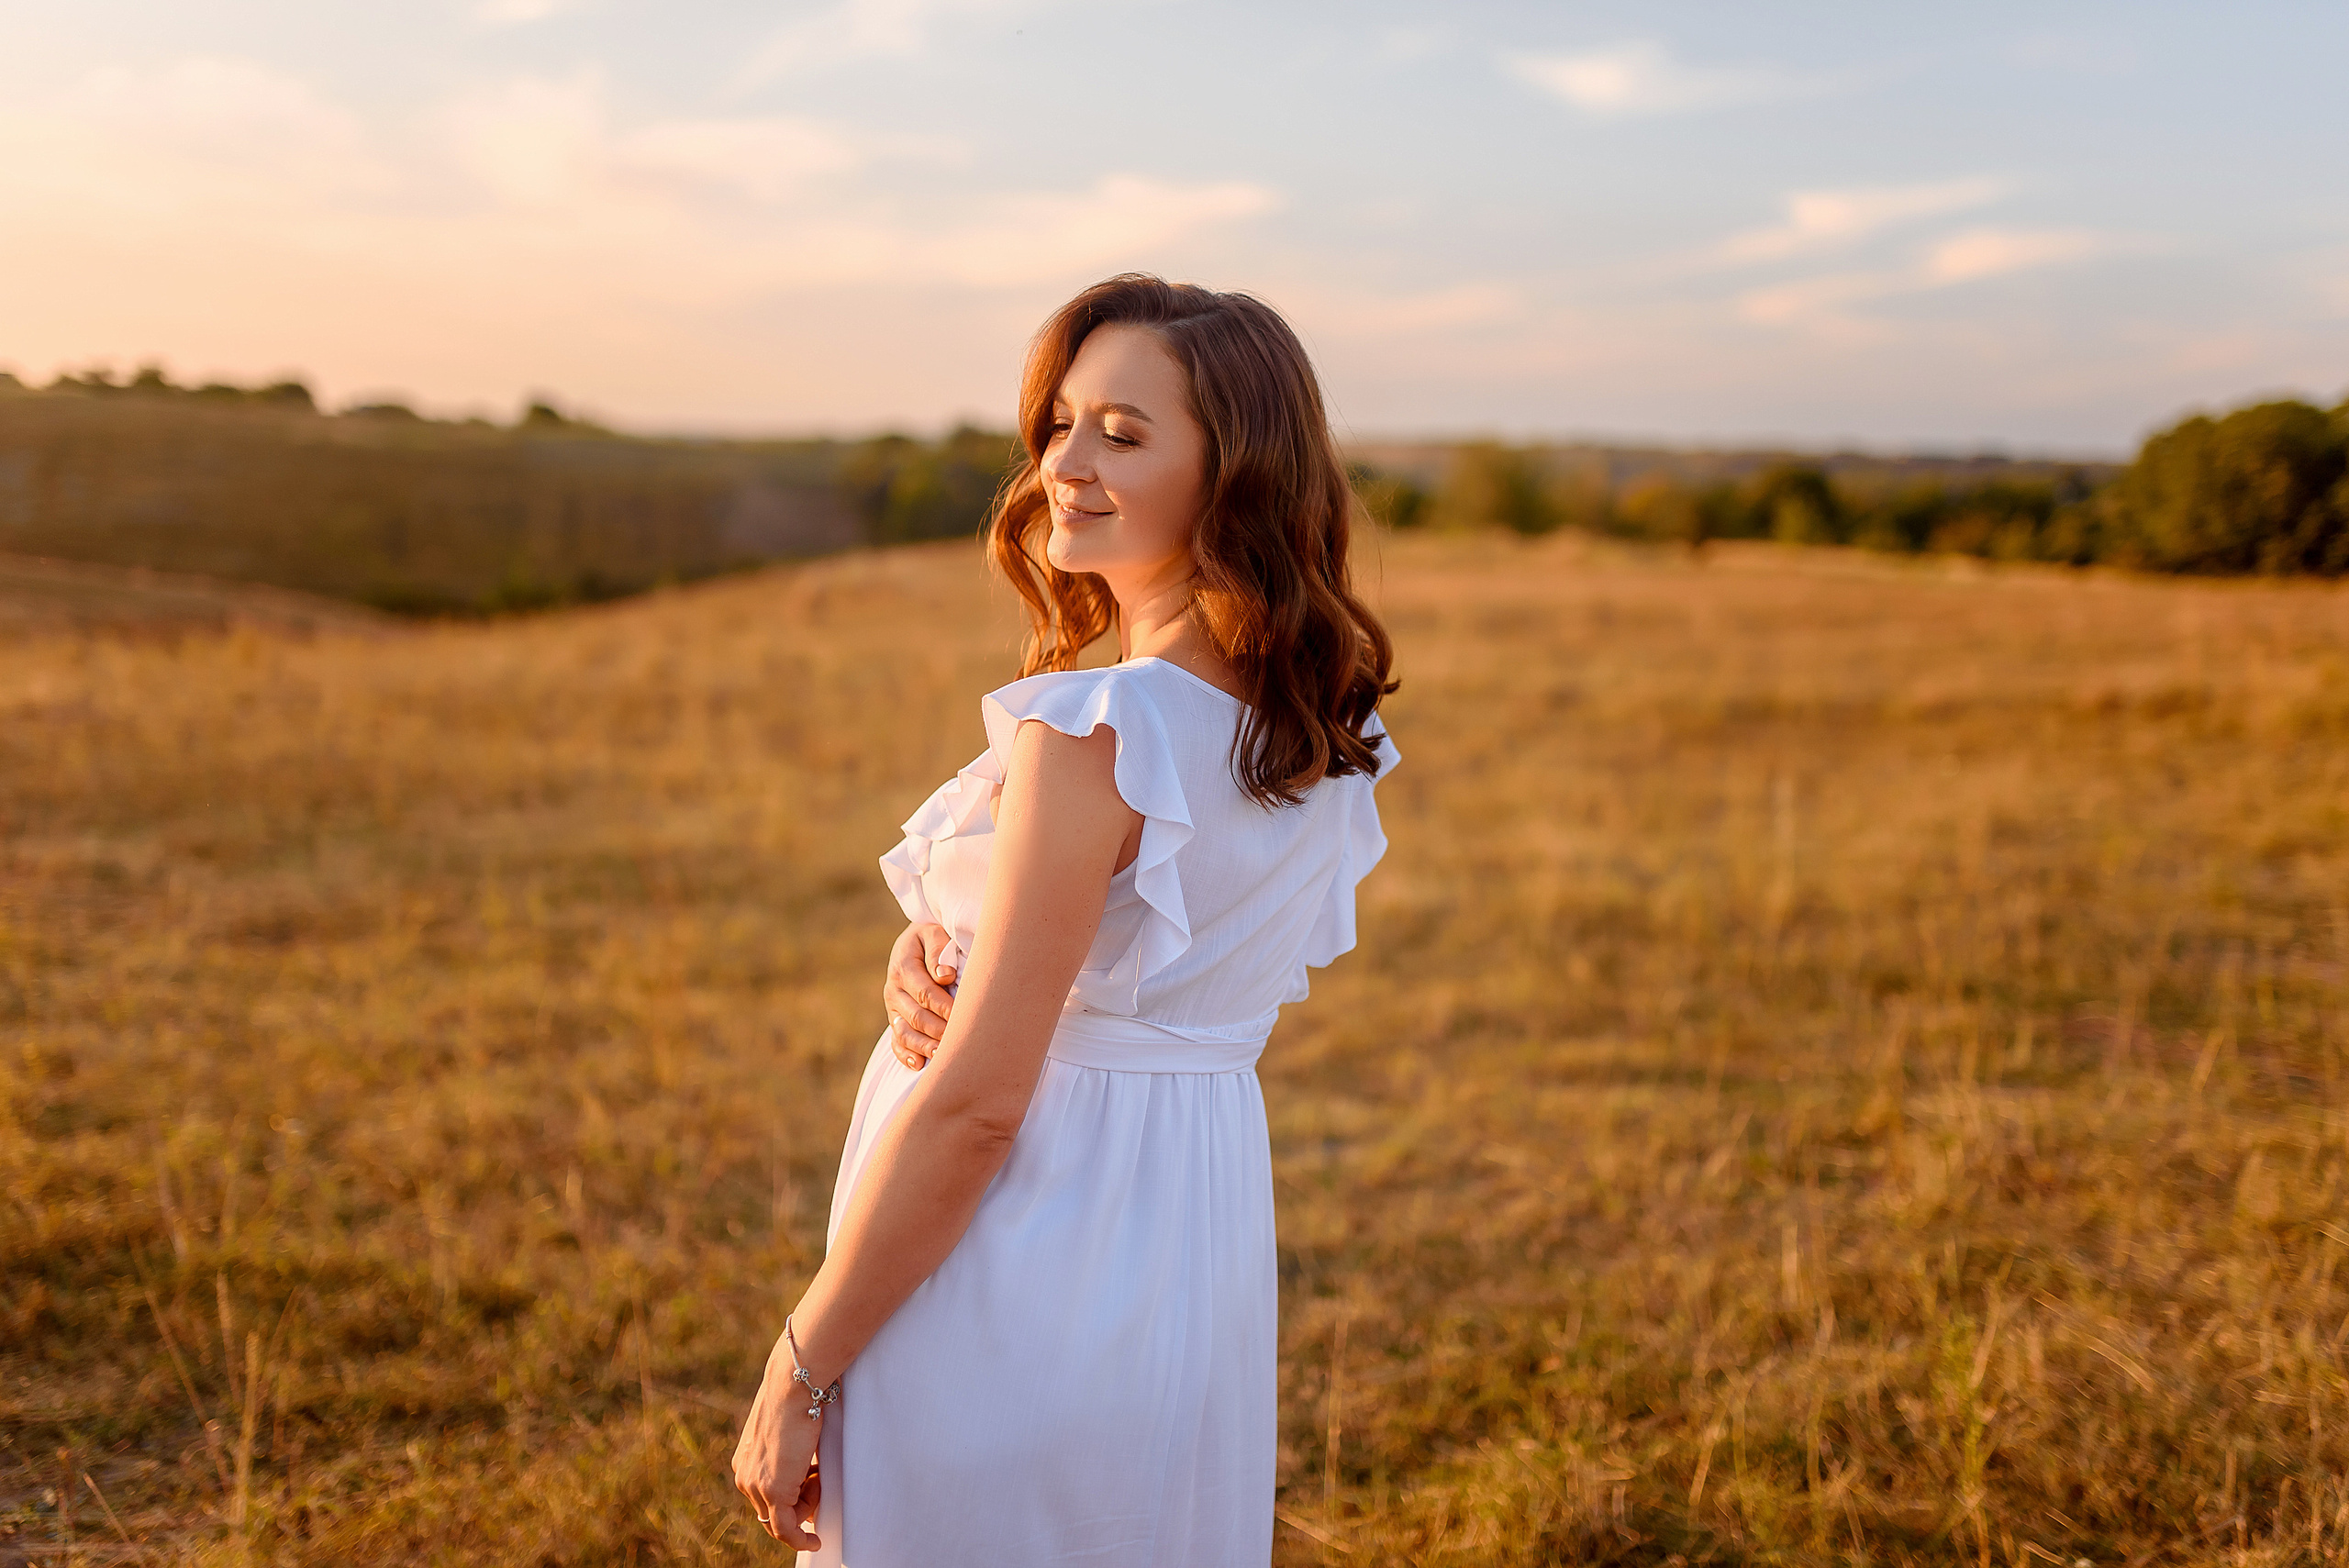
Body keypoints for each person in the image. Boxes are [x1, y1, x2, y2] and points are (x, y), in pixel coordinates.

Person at [730, 272, 1398, 1565]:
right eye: (1060, 423)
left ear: (1237, 475)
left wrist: (800, 1363)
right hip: (1184, 1242)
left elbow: (984, 1101)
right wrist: (936, 956)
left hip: (1017, 1251)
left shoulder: (1103, 730)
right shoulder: (1319, 728)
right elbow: (1144, 970)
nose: (1063, 467)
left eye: (1125, 434)